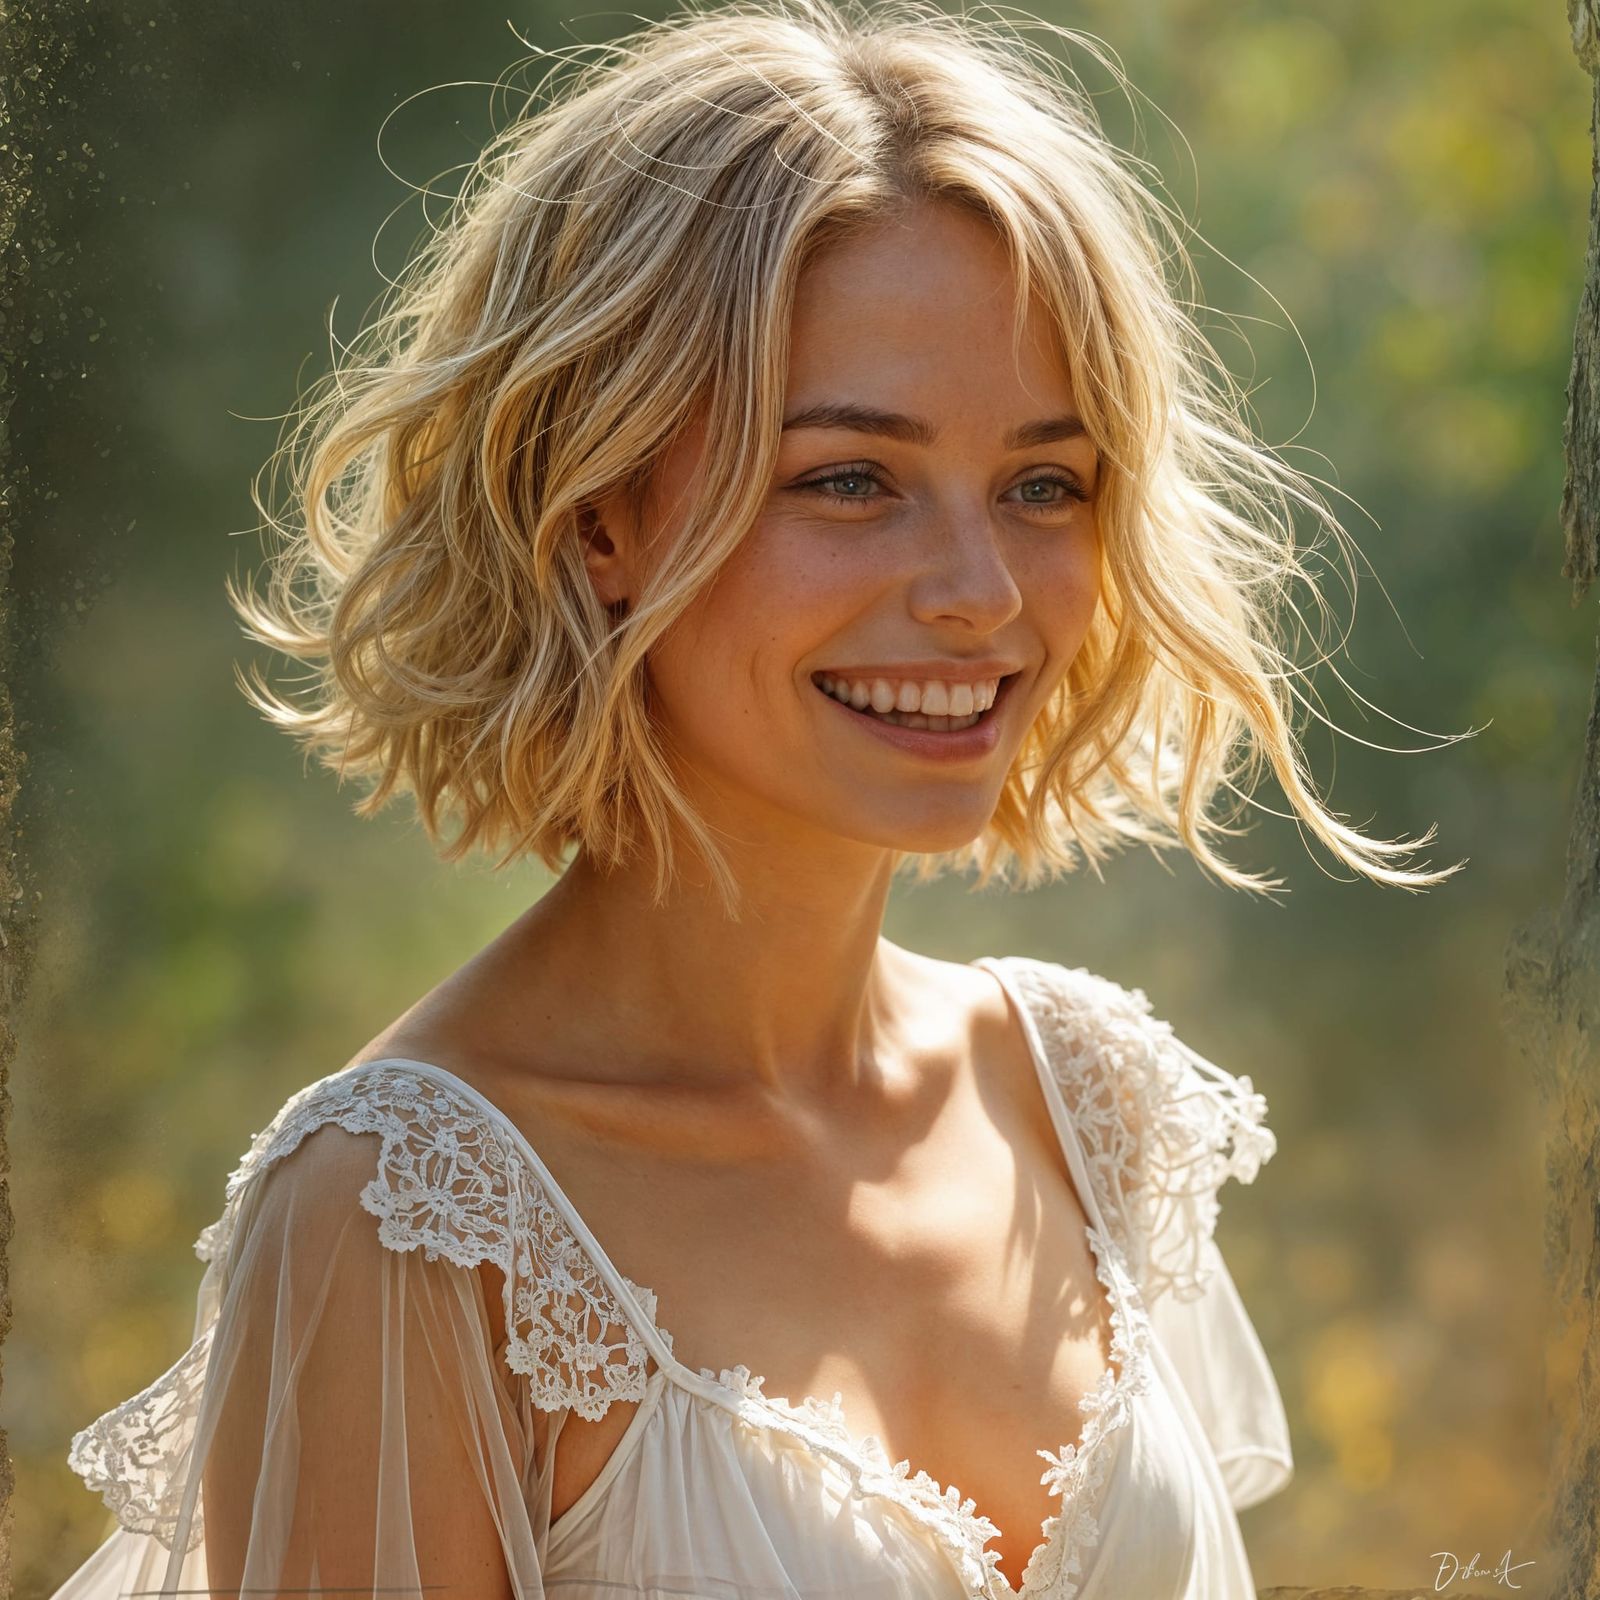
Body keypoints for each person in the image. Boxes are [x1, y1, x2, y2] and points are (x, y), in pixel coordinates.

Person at [50, 1, 1458, 1595]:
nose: (982, 592)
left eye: (1042, 484)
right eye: (850, 479)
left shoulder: (1088, 1106)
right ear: (598, 517)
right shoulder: (403, 1219)